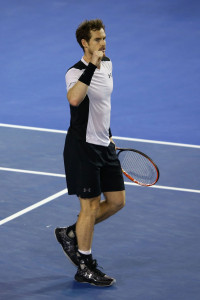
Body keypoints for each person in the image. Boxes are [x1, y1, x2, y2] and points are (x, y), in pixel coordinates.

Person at [55, 19, 125, 287]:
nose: (103, 43)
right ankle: (85, 265)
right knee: (90, 207)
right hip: (81, 148)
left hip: (104, 144)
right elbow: (75, 99)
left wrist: (109, 134)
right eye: (97, 40)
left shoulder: (108, 64)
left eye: (104, 38)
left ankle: (72, 234)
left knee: (117, 201)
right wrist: (92, 66)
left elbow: (103, 105)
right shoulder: (74, 73)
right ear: (85, 43)